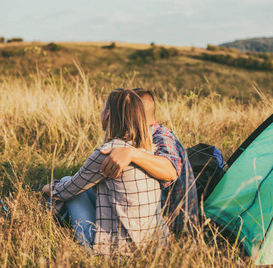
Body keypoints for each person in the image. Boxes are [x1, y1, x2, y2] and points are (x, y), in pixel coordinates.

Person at [41, 89, 169, 254]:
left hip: (116, 251)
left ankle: (46, 229)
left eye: (102, 108)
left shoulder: (108, 153)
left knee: (65, 183)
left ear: (108, 115)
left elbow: (66, 190)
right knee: (74, 185)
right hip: (152, 247)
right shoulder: (147, 149)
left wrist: (46, 189)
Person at [100, 88, 198, 233]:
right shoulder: (139, 136)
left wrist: (132, 153)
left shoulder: (161, 136)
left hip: (171, 227)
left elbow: (170, 171)